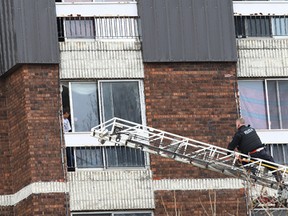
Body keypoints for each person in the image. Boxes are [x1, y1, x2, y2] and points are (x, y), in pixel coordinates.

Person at [227, 117, 283, 184]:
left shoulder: (239, 134)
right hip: (262, 151)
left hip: (253, 154)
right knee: (272, 165)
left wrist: (229, 153)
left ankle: (252, 177)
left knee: (243, 163)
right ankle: (280, 181)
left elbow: (231, 146)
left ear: (238, 125)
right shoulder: (251, 129)